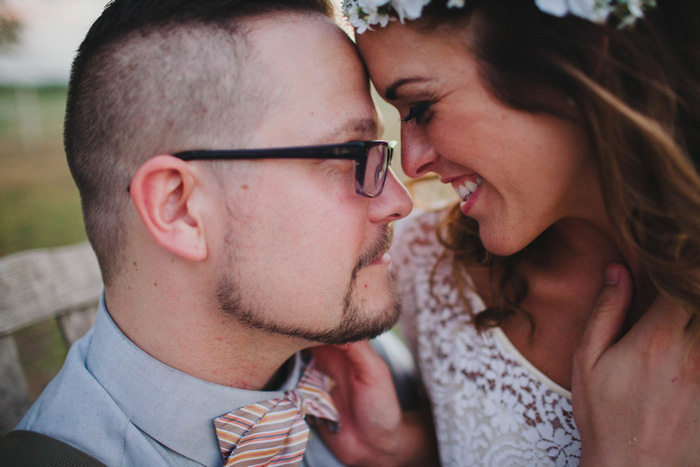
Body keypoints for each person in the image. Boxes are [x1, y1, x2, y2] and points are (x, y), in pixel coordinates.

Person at [4, 0, 424, 465]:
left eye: (379, 152)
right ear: (180, 209)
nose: (397, 201)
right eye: (352, 156)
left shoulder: (368, 372)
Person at [310, 0, 700, 466]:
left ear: (578, 64)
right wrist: (411, 455)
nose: (412, 162)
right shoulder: (425, 270)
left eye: (421, 107)